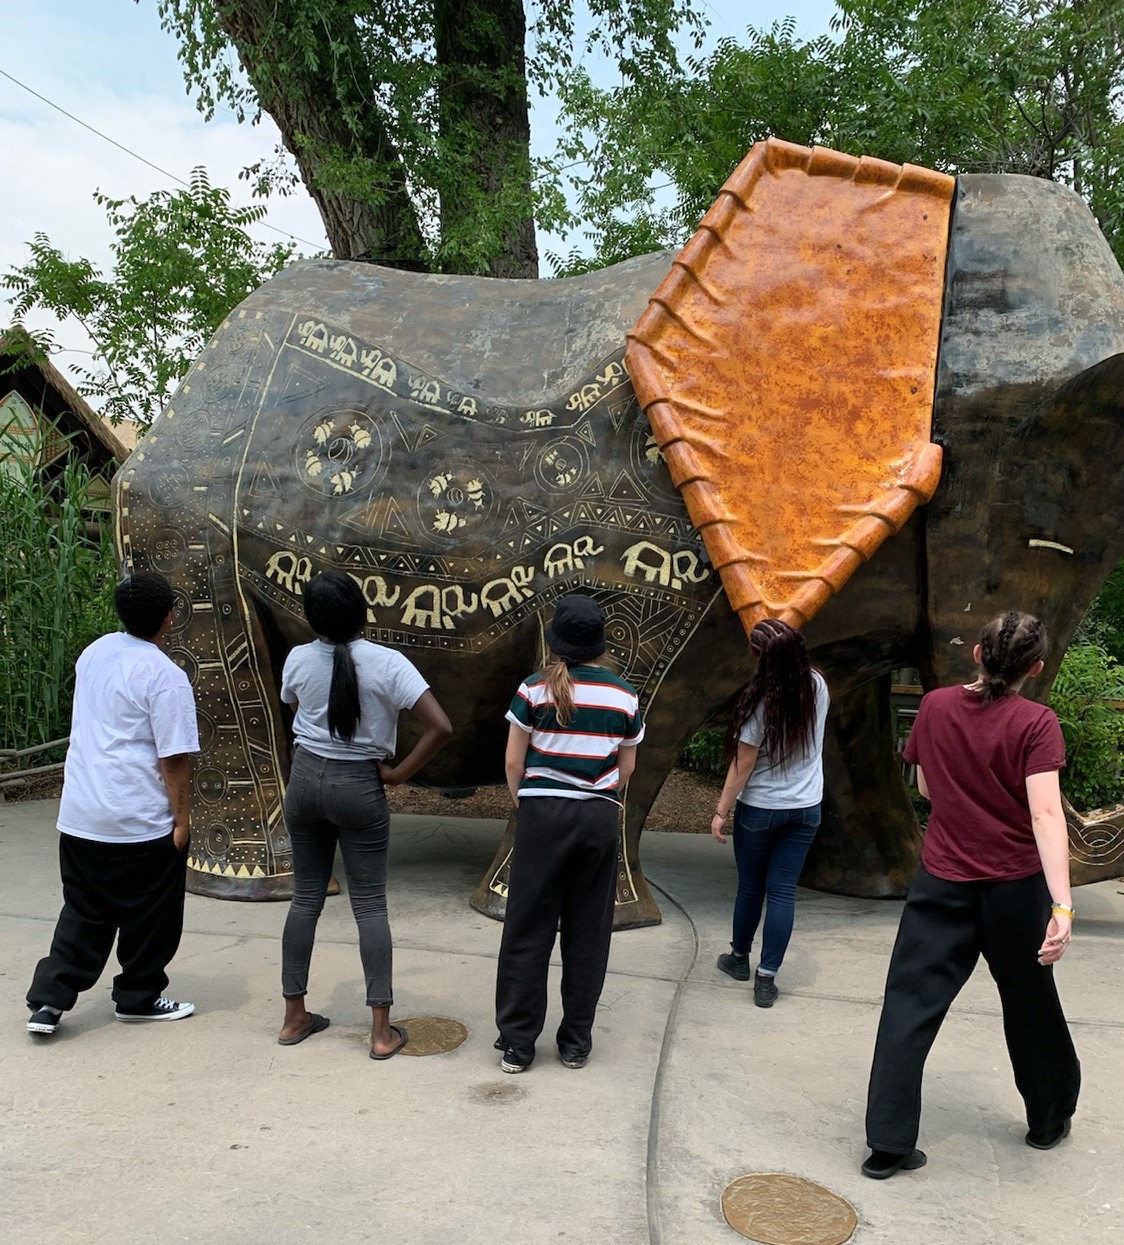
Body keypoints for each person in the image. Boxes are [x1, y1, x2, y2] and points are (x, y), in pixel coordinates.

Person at [861, 610, 1080, 1179]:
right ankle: (1048, 1120)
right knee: (1030, 1003)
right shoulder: (1037, 722)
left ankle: (887, 1144)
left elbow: (927, 786)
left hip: (942, 880)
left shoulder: (933, 707)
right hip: (1014, 888)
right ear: (1034, 667)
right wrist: (1062, 904)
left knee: (909, 1005)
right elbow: (1045, 812)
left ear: (979, 655)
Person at [277, 571, 452, 1058]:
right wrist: (397, 775)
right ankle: (380, 1033)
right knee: (370, 906)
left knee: (305, 898)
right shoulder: (389, 664)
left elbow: (292, 705)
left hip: (305, 781)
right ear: (363, 610)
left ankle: (294, 1018)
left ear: (313, 618)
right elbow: (440, 725)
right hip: (360, 785)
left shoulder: (298, 658)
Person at [26, 572, 200, 1036]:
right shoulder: (166, 676)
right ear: (170, 618)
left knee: (83, 910)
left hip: (83, 813)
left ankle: (48, 1003)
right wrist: (181, 821)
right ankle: (138, 997)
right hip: (138, 818)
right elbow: (175, 758)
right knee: (151, 914)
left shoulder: (95, 652)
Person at [494, 594, 644, 1073]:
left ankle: (518, 1043)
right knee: (588, 929)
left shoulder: (533, 689)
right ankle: (576, 1041)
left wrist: (528, 802)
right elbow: (626, 769)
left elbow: (514, 761)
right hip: (598, 818)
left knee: (527, 927)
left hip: (542, 816)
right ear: (601, 643)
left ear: (555, 640)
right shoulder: (624, 695)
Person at [710, 617, 830, 1008]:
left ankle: (739, 959)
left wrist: (721, 810)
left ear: (761, 658)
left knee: (751, 887)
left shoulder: (762, 701)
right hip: (806, 808)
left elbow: (742, 765)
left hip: (761, 808)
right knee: (782, 892)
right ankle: (767, 978)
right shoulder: (818, 685)